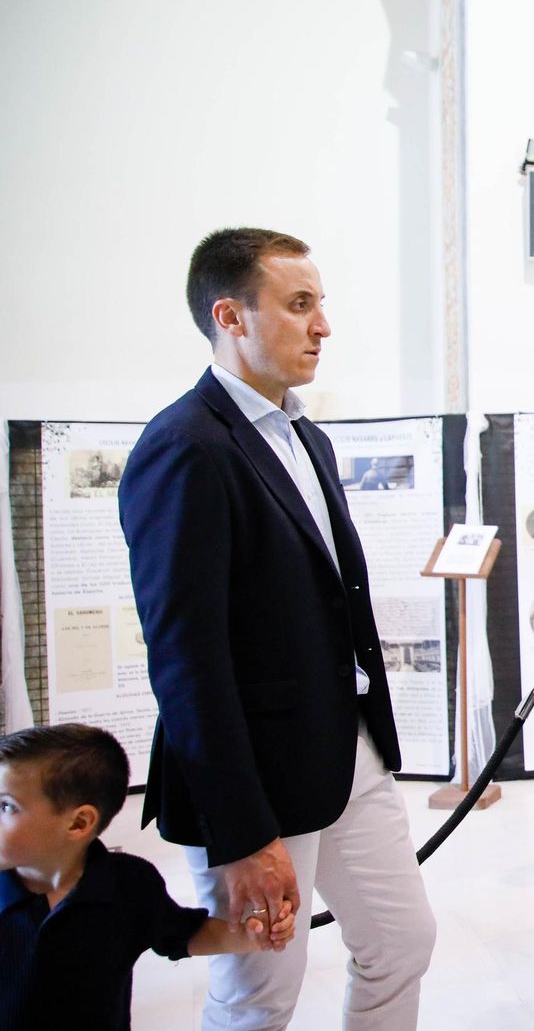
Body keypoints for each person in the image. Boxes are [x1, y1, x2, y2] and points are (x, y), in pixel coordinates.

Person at [118, 228, 436, 1030]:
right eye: (299, 305)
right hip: (254, 774)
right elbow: (185, 657)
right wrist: (244, 831)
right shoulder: (184, 447)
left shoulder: (307, 435)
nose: (322, 325)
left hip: (346, 747)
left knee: (402, 942)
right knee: (261, 990)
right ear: (231, 315)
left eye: (321, 304)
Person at [1, 724, 293, 1031]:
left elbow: (182, 934)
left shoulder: (128, 884)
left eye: (6, 806)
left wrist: (253, 935)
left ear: (79, 823)